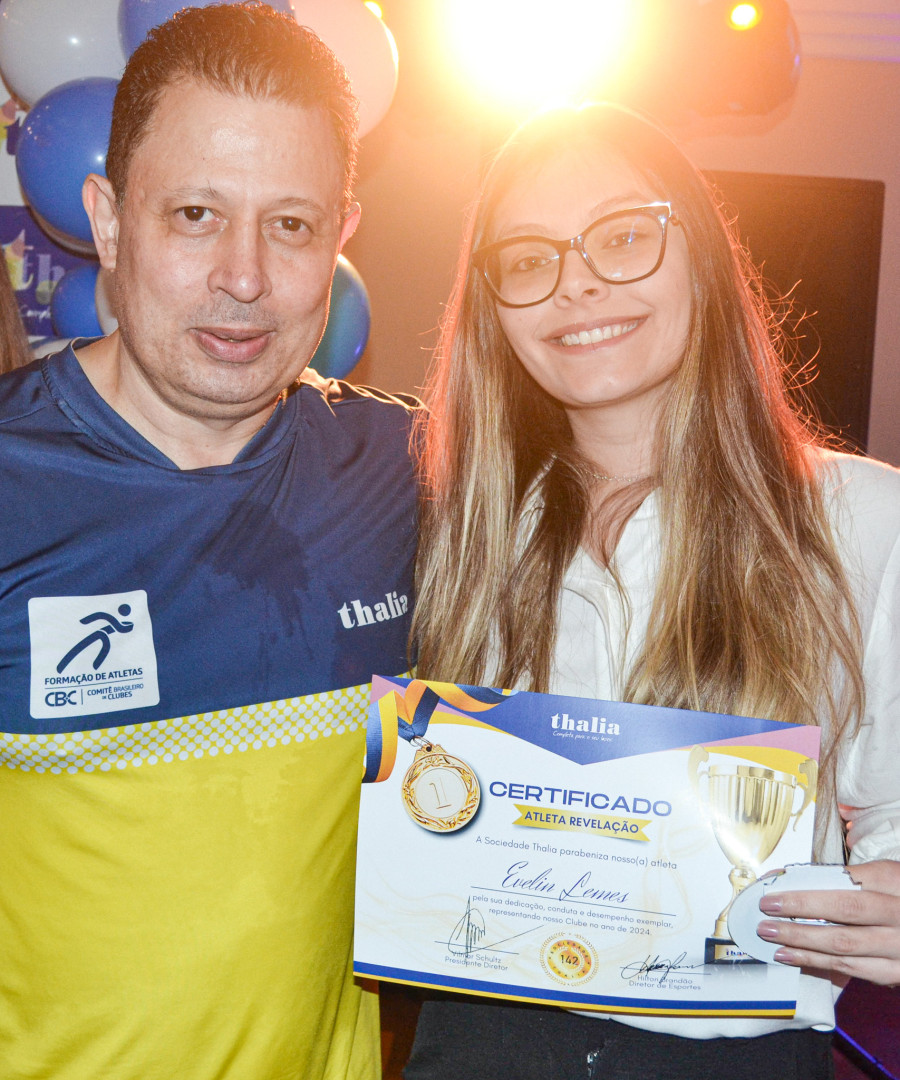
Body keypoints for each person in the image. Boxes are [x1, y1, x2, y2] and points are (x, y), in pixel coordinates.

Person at [406, 102, 900, 1079]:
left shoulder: (862, 518)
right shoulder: (458, 528)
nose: (578, 283)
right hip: (480, 1039)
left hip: (733, 1054)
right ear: (494, 307)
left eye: (625, 236)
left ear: (699, 257)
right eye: (530, 259)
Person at [0, 5, 416, 1079]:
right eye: (195, 214)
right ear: (107, 220)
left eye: (292, 225)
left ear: (341, 234)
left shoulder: (410, 474)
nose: (244, 276)